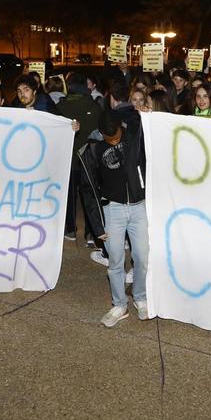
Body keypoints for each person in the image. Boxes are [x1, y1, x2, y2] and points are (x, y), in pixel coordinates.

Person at [78, 108, 149, 327]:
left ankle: (141, 298)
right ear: (101, 133)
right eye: (109, 139)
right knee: (115, 261)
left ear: (121, 127)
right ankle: (119, 304)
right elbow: (88, 189)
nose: (114, 140)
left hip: (139, 207)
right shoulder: (92, 148)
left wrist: (139, 111)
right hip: (113, 210)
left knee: (142, 257)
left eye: (117, 136)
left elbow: (130, 112)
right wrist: (97, 226)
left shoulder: (135, 135)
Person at [56, 73, 104, 245]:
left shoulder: (60, 107)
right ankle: (91, 233)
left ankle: (70, 230)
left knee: (69, 197)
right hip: (88, 159)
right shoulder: (94, 106)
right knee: (89, 197)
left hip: (68, 160)